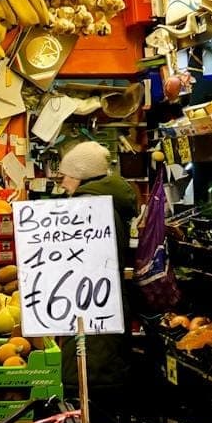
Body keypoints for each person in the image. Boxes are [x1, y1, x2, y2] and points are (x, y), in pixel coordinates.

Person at [54, 141, 139, 396]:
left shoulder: (88, 209)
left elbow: (83, 267)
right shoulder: (105, 203)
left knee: (91, 391)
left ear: (82, 176)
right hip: (101, 317)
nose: (63, 183)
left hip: (92, 325)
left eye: (67, 176)